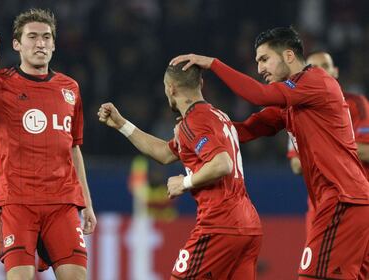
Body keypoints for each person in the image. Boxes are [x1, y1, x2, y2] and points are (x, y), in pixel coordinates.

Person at [170, 27, 369, 279]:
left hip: (343, 199)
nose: (260, 69)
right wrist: (195, 131)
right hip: (345, 200)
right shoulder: (292, 101)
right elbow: (245, 130)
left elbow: (259, 95)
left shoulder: (315, 81)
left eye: (264, 59)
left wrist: (213, 64)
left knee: (312, 276)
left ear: (288, 55)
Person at [0, 9, 96, 280]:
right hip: (16, 201)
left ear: (54, 44)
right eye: (32, 37)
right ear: (17, 44)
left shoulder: (70, 88)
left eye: (46, 37)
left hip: (62, 202)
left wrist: (87, 203)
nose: (40, 43)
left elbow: (73, 147)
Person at [98, 62, 262, 279]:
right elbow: (164, 153)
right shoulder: (216, 116)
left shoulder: (193, 122)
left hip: (220, 224)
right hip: (249, 225)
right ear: (200, 84)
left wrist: (185, 182)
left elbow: (222, 164)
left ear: (171, 89)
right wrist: (122, 125)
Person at [287, 51, 369, 234]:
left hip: (355, 201)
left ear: (335, 71)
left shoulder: (357, 104)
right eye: (312, 68)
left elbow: (367, 151)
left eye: (324, 66)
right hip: (320, 206)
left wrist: (321, 148)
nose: (319, 71)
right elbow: (296, 164)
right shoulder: (297, 111)